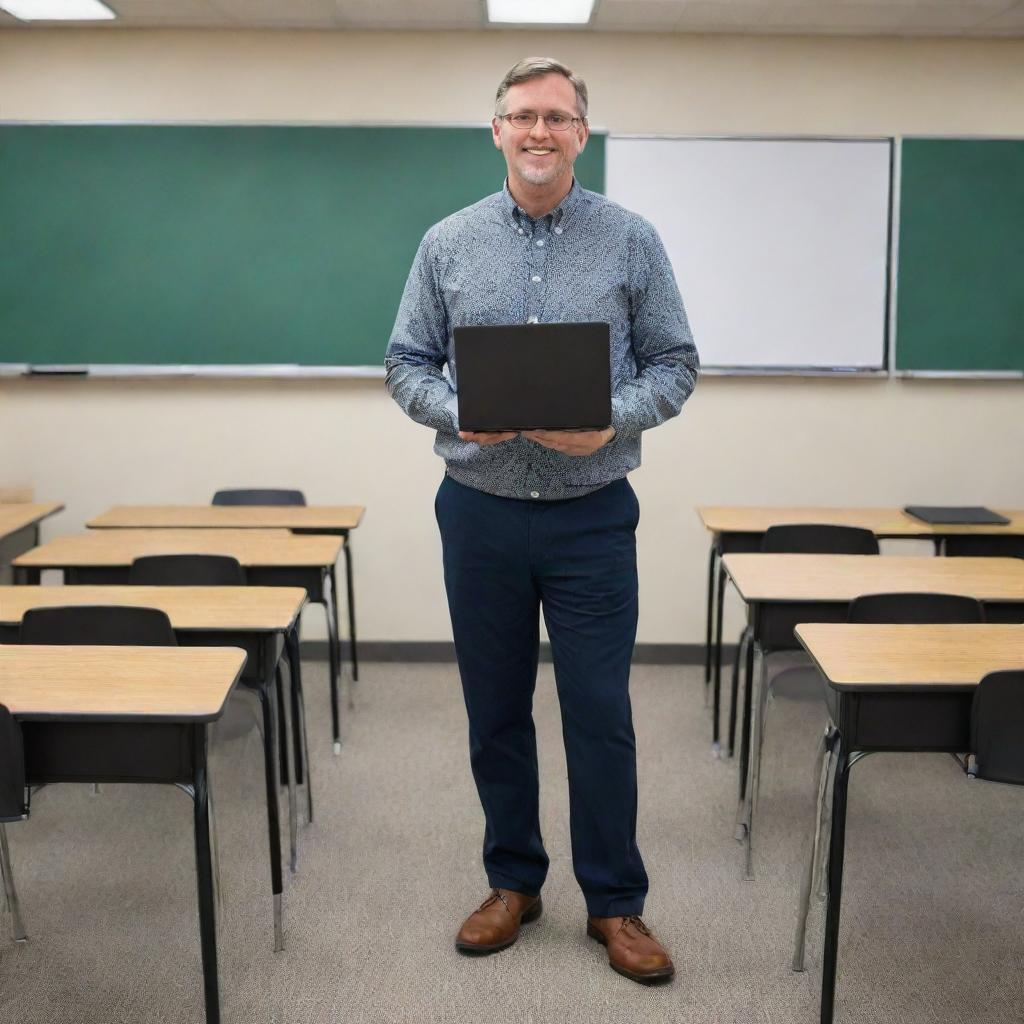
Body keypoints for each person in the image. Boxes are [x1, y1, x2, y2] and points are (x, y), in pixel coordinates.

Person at [385, 56, 699, 984]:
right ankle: (512, 881)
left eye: (557, 118)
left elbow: (676, 364)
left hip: (591, 515)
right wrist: (452, 410)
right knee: (495, 709)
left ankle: (616, 902)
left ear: (580, 133)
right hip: (478, 512)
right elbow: (405, 364)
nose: (539, 132)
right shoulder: (446, 243)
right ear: (496, 130)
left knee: (599, 711)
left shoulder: (631, 239)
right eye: (522, 116)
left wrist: (613, 419)